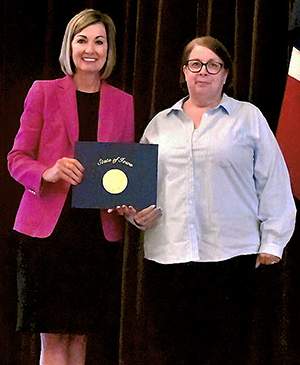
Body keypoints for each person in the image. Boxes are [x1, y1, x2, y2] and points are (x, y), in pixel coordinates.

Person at [117, 36, 296, 364]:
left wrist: (272, 244)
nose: (204, 72)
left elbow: (274, 183)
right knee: (175, 353)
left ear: (226, 73)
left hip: (232, 259)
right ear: (184, 71)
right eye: (195, 64)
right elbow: (139, 191)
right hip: (170, 259)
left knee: (226, 354)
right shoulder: (159, 125)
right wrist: (134, 216)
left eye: (213, 65)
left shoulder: (248, 118)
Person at [7, 9, 134, 365]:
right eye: (82, 40)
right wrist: (48, 172)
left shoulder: (124, 102)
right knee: (53, 338)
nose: (90, 49)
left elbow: (123, 169)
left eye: (99, 41)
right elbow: (16, 159)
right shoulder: (43, 92)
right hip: (48, 231)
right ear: (70, 45)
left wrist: (126, 199)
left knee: (80, 337)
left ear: (108, 49)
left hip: (97, 232)